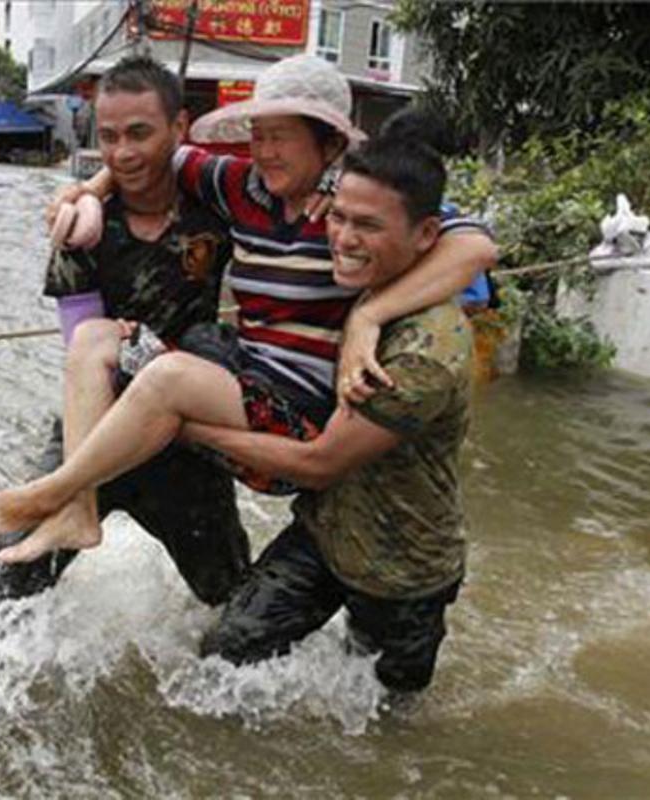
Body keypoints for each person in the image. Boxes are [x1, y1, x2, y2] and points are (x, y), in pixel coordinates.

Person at [0, 56, 495, 562]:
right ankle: (78, 509)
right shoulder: (239, 186)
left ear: (331, 143)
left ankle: (47, 492)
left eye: (281, 137)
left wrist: (368, 316)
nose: (264, 152)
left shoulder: (353, 210)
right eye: (257, 135)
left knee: (169, 377)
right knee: (94, 337)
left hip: (291, 417)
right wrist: (87, 190)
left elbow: (475, 246)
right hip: (231, 385)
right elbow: (151, 156)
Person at [194, 111, 473, 693]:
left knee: (387, 708)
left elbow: (318, 462)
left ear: (426, 235)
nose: (343, 239)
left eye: (367, 225)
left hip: (401, 569)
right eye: (338, 217)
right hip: (324, 531)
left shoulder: (423, 352)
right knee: (225, 655)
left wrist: (186, 426)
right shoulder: (367, 289)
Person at [0, 56, 251, 604]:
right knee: (9, 576)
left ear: (178, 127)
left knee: (229, 600)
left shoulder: (215, 211)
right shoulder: (82, 229)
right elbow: (81, 345)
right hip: (94, 432)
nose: (123, 152)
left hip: (183, 441)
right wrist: (87, 192)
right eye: (108, 137)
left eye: (139, 133)